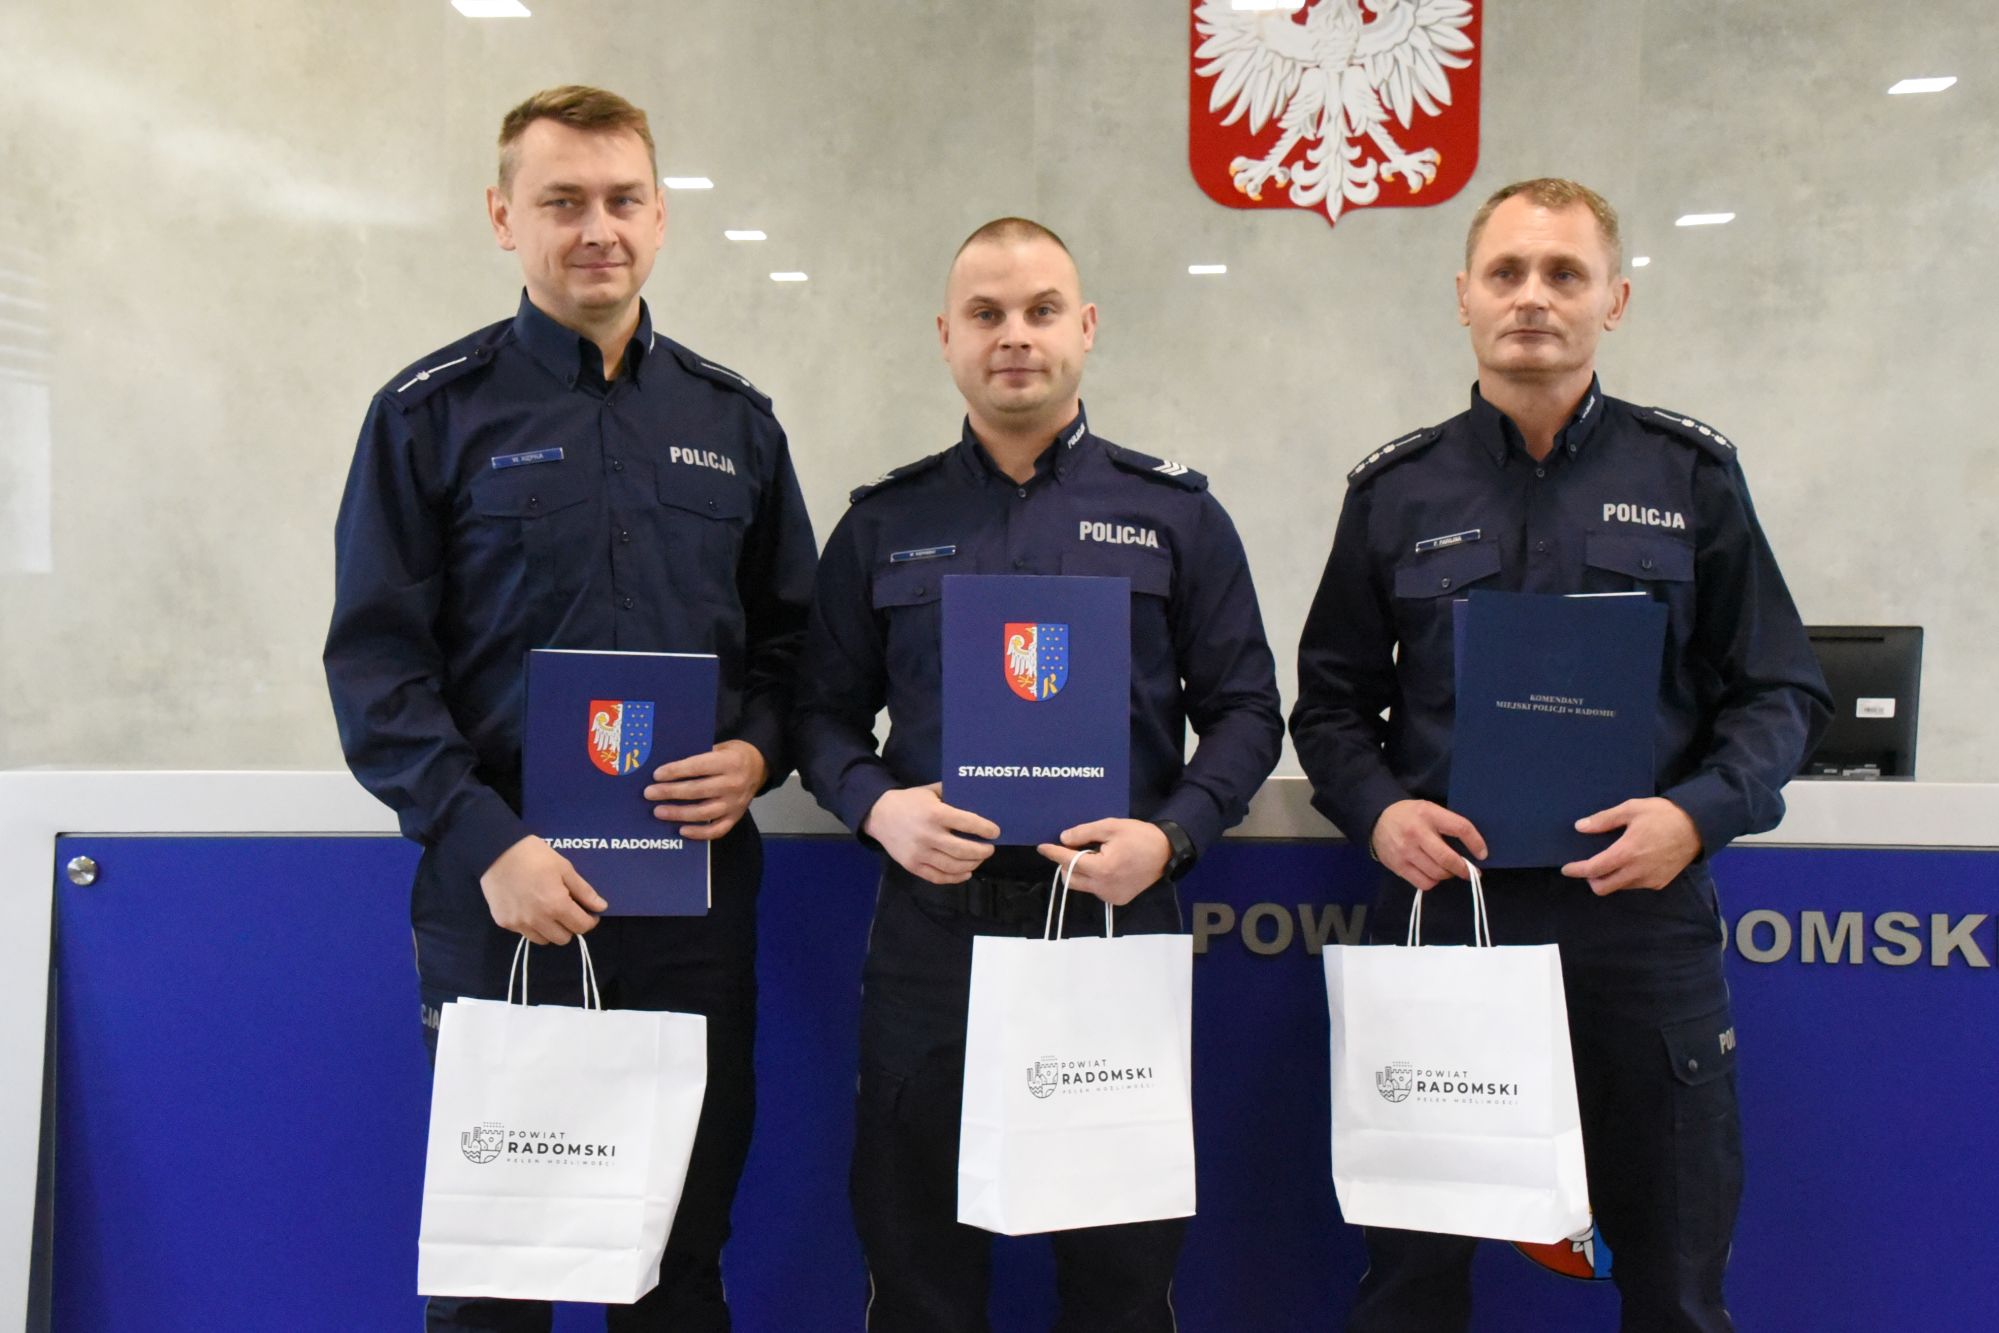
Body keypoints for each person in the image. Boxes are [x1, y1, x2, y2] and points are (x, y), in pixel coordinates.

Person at [1290, 177, 1832, 1331]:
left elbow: (1782, 689)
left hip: (1638, 925)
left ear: (1613, 301)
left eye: (1563, 274)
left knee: (1675, 1281)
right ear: (1464, 296)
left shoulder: (1688, 478)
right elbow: (1329, 703)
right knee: (1412, 1283)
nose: (1532, 297)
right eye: (1507, 273)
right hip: (1448, 919)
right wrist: (1379, 811)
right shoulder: (1395, 493)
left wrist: (1695, 814)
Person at [323, 85, 816, 1332]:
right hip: (501, 902)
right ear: (504, 218)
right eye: (562, 201)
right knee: (499, 1274)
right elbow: (377, 670)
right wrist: (487, 843)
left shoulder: (735, 425)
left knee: (676, 1260)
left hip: (689, 902)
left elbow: (796, 646)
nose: (598, 228)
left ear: (659, 216)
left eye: (622, 199)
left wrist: (757, 752)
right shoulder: (427, 416)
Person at [793, 217, 1283, 1331]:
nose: (1014, 335)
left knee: (1120, 1275)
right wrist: (878, 808)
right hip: (934, 932)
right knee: (917, 1267)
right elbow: (817, 713)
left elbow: (1248, 712)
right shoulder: (883, 522)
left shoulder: (1176, 516)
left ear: (1086, 327)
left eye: (1041, 310)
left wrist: (1172, 836)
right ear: (946, 336)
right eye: (986, 313)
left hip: (1112, 921)